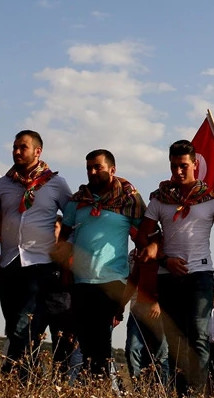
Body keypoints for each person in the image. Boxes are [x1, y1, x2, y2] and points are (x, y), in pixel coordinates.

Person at [137, 140, 214, 397]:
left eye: (183, 166)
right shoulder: (159, 199)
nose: (178, 172)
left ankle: (196, 396)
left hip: (200, 275)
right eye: (174, 166)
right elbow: (142, 237)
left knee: (198, 335)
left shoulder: (212, 200)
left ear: (195, 164)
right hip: (168, 275)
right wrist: (164, 260)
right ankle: (180, 394)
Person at [0, 129, 69, 380]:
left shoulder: (55, 184)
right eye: (15, 147)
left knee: (23, 326)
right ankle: (32, 378)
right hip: (8, 265)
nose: (16, 152)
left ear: (38, 152)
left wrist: (65, 246)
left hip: (40, 265)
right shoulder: (3, 185)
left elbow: (72, 218)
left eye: (23, 147)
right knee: (15, 329)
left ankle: (13, 378)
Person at [55, 148, 146, 380]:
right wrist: (65, 269)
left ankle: (100, 392)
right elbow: (64, 237)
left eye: (98, 167)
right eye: (88, 168)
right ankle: (91, 397)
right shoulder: (77, 201)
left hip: (111, 281)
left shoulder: (129, 201)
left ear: (112, 170)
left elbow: (146, 235)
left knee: (101, 343)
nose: (92, 172)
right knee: (84, 343)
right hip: (81, 280)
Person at [125, 236, 168, 387]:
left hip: (160, 312)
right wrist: (120, 306)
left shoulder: (166, 251)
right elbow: (133, 280)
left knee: (161, 355)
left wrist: (159, 303)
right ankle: (139, 392)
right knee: (132, 350)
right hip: (139, 309)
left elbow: (174, 281)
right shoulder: (138, 254)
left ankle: (162, 393)